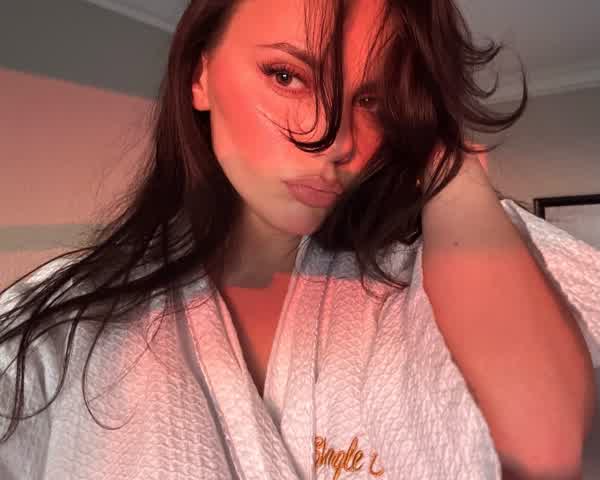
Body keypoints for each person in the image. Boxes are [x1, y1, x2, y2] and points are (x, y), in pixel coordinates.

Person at [1, 0, 599, 479]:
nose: (335, 140)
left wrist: (452, 169)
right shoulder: (57, 327)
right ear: (200, 76)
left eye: (372, 100)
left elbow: (545, 450)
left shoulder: (437, 273)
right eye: (286, 76)